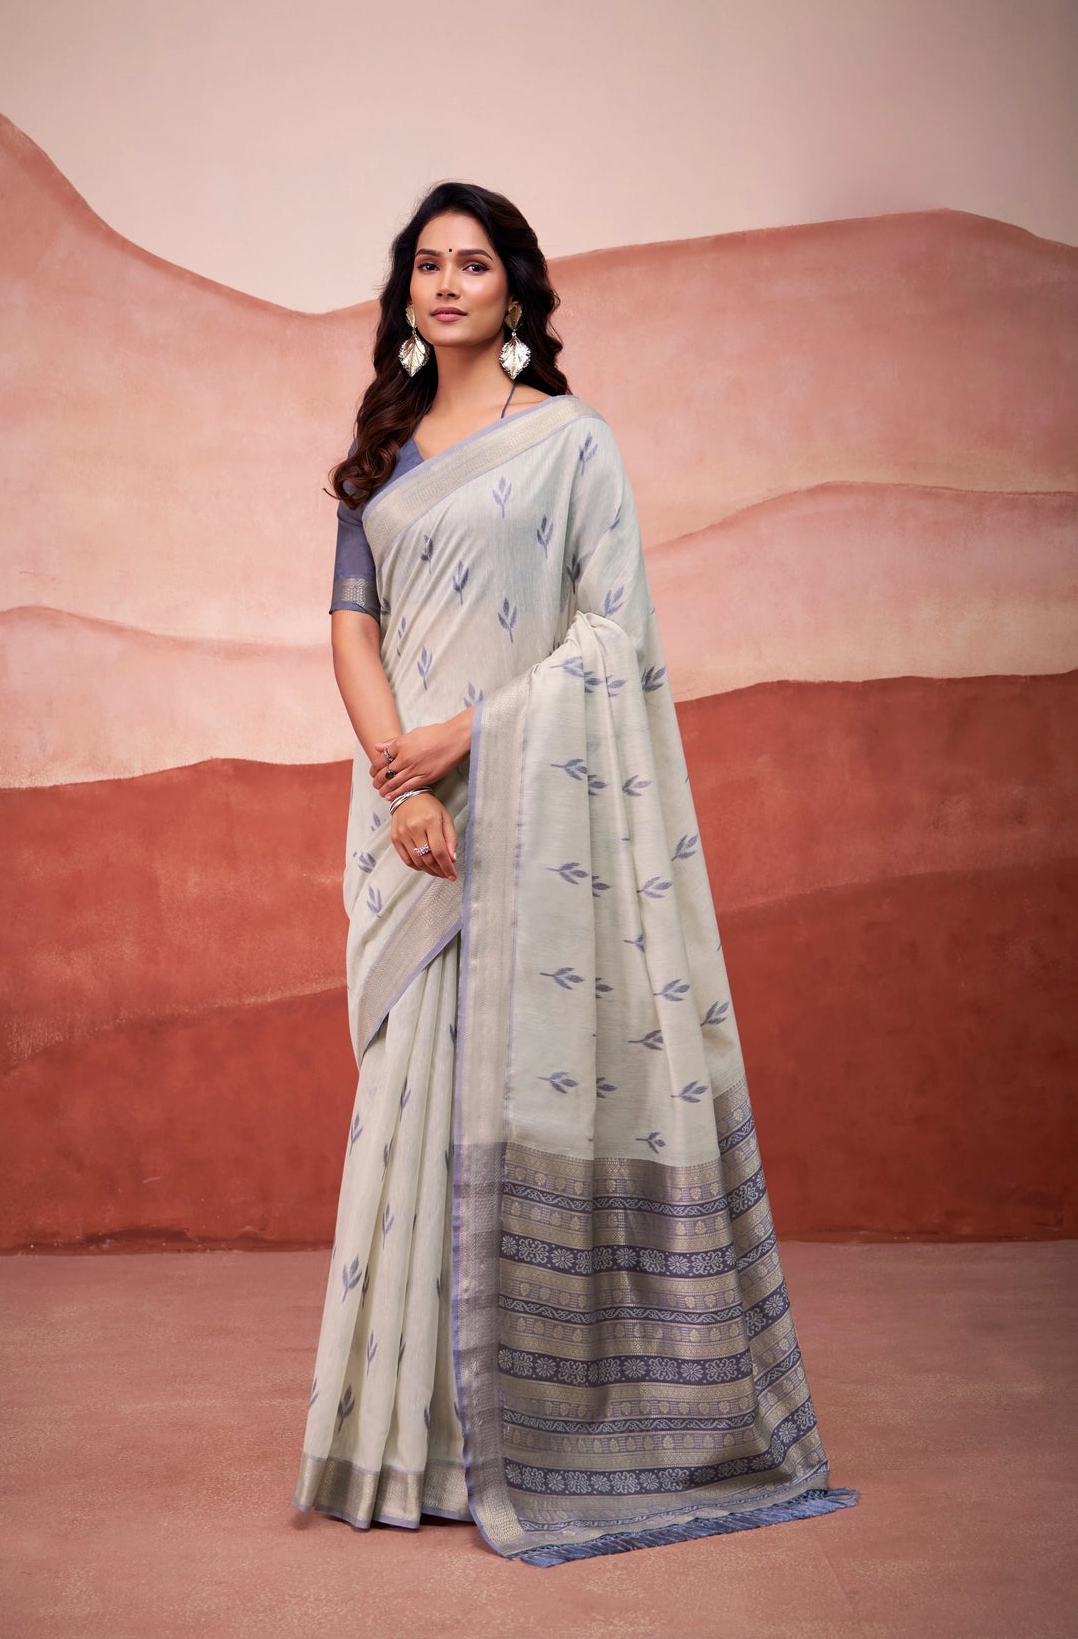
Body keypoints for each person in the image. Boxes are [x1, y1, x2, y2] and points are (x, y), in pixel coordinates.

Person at [291, 182, 858, 1565]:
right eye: (425, 266)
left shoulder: (570, 446)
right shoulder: (381, 456)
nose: (445, 286)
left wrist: (472, 740)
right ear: (406, 294)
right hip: (407, 816)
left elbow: (616, 640)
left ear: (516, 292)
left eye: (471, 265)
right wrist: (404, 777)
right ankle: (403, 1440)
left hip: (526, 813)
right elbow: (350, 632)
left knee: (506, 1080)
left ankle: (538, 1425)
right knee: (409, 1101)